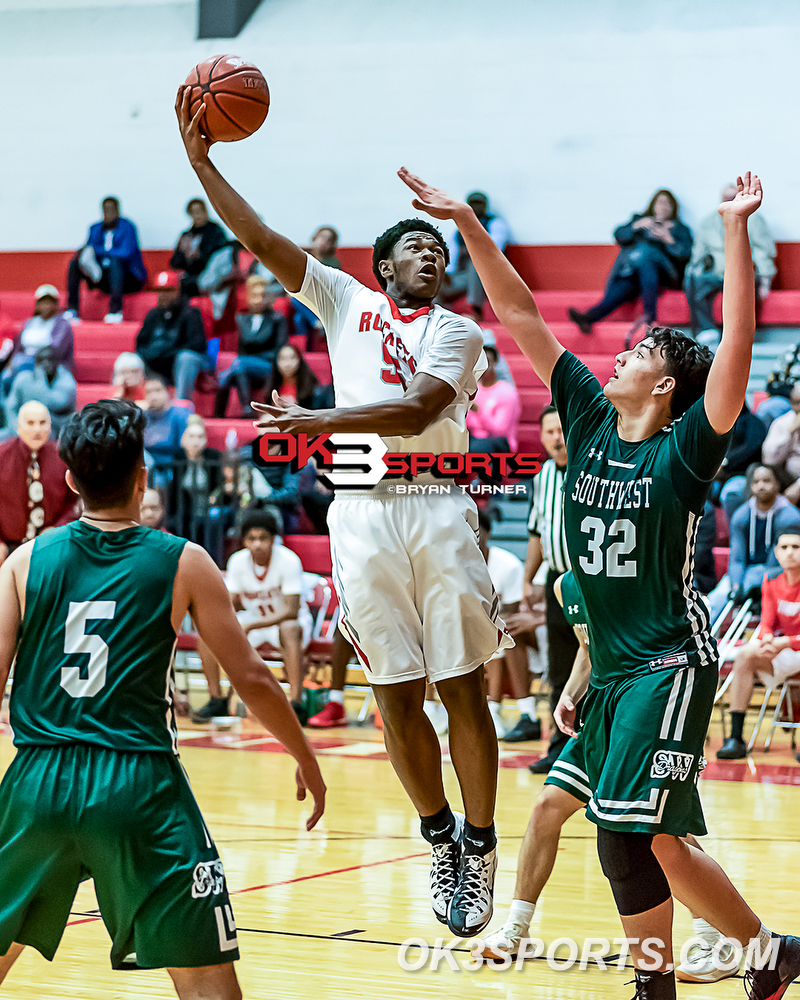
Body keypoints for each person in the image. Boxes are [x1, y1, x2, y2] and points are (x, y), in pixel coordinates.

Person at [401, 167, 800, 1000]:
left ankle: (669, 984)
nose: (618, 355)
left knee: (625, 838)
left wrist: (733, 228)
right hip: (614, 671)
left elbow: (731, 346)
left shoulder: (687, 448)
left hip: (666, 663)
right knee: (649, 843)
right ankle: (769, 954)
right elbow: (519, 313)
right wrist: (471, 224)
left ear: (664, 387)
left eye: (641, 353)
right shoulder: (586, 417)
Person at [177, 89, 511, 939]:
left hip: (436, 502)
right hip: (362, 513)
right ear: (383, 264)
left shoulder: (459, 331)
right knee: (396, 691)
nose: (431, 255)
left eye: (439, 248)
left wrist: (316, 423)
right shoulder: (341, 301)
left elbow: (416, 409)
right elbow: (258, 239)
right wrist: (205, 165)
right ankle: (440, 835)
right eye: (415, 247)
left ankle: (481, 837)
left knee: (461, 685)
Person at [0, 399, 325, 997]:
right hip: (138, 783)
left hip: (37, 781)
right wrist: (304, 753)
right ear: (142, 476)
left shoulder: (23, 562)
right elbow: (251, 677)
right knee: (206, 981)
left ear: (70, 480)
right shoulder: (186, 561)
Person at [476, 571, 738, 987]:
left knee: (667, 832)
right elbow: (588, 647)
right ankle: (516, 930)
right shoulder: (565, 586)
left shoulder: (641, 573)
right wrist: (570, 692)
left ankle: (715, 940)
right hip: (601, 710)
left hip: (647, 707)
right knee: (546, 807)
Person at [193, 509, 313, 723]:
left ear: (274, 540)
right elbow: (230, 604)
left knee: (290, 628)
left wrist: (251, 625)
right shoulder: (237, 561)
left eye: (263, 538)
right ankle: (217, 699)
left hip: (286, 623)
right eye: (252, 539)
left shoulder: (288, 560)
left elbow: (291, 610)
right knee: (207, 635)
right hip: (254, 621)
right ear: (244, 541)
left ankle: (297, 703)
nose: (258, 544)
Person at [518, 404, 577, 759]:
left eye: (562, 430)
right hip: (556, 580)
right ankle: (559, 749)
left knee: (593, 665)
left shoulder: (591, 470)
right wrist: (528, 579)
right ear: (541, 436)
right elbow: (537, 533)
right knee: (559, 668)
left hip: (589, 580)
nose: (557, 438)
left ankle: (591, 748)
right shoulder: (542, 477)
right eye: (550, 432)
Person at [717, 531, 800, 760]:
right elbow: (767, 623)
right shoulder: (771, 580)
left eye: (796, 547)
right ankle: (735, 738)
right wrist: (766, 639)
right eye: (784, 547)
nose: (790, 552)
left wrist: (785, 642)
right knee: (745, 654)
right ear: (776, 552)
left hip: (792, 647)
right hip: (787, 650)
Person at [568, 189, 693, 337]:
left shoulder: (679, 228)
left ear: (673, 208)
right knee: (625, 286)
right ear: (652, 205)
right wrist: (636, 226)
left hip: (665, 274)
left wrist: (668, 239)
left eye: (667, 204)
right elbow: (619, 234)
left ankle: (649, 317)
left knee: (646, 258)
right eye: (660, 202)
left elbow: (685, 254)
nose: (663, 206)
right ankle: (588, 317)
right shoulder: (640, 220)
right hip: (636, 275)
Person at [684, 182, 776, 348]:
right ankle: (706, 330)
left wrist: (765, 281)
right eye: (725, 199)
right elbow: (698, 253)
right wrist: (692, 271)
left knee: (745, 283)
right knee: (693, 278)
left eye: (732, 198)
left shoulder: (755, 219)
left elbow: (764, 251)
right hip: (716, 272)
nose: (729, 202)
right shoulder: (708, 222)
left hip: (745, 271)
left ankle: (737, 335)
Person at [706, 463, 800, 624]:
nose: (761, 486)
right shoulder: (741, 515)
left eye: (766, 481)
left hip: (779, 574)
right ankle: (704, 639)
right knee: (718, 597)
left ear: (777, 484)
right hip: (747, 574)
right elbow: (737, 559)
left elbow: (778, 562)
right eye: (756, 482)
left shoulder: (789, 516)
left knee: (755, 576)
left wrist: (753, 583)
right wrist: (736, 586)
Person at [478, 510, 535, 739]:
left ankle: (524, 713)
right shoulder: (453, 565)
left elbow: (510, 614)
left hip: (517, 633)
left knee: (506, 633)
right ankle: (435, 708)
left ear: (488, 532)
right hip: (477, 634)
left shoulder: (507, 564)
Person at [0, 402, 77, 564]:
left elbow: (73, 502)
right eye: (30, 423)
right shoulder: (2, 456)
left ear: (50, 426)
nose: (37, 430)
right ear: (19, 427)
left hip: (50, 544)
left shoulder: (63, 458)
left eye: (42, 423)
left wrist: (58, 529)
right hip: (7, 546)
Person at [214, 275, 288, 417]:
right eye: (255, 296)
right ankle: (218, 416)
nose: (259, 300)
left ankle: (248, 408)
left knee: (239, 364)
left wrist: (252, 359)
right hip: (244, 366)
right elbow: (241, 351)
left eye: (262, 295)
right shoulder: (242, 319)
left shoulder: (277, 318)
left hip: (269, 365)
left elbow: (280, 350)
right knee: (225, 376)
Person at [65, 197, 147, 323]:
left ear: (118, 210)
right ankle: (72, 310)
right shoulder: (95, 228)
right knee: (74, 264)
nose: (108, 212)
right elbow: (89, 251)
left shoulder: (127, 227)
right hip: (104, 277)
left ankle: (115, 311)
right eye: (105, 209)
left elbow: (126, 252)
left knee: (116, 261)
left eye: (111, 209)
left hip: (128, 278)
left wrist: (102, 251)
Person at [135, 271, 211, 401]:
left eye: (169, 290)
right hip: (157, 365)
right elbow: (140, 343)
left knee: (186, 357)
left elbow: (198, 344)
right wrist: (150, 353)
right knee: (129, 359)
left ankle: (181, 404)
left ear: (178, 291)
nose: (164, 295)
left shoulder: (191, 313)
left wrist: (168, 352)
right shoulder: (153, 315)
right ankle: (130, 408)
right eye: (161, 291)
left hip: (182, 363)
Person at [439, 191, 508, 322]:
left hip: (487, 277)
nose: (476, 208)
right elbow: (451, 257)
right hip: (462, 276)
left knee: (476, 262)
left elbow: (494, 250)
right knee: (436, 276)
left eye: (479, 204)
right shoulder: (458, 229)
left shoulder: (494, 224)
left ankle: (474, 308)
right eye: (473, 204)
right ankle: (435, 312)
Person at [167, 415, 223, 549]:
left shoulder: (213, 457)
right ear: (184, 439)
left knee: (214, 520)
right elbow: (174, 492)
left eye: (200, 437)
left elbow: (220, 486)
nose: (196, 441)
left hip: (209, 509)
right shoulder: (178, 458)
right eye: (191, 437)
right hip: (185, 511)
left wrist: (216, 496)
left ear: (205, 439)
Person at [5, 347, 77, 439]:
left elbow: (55, 404)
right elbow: (11, 408)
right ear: (35, 364)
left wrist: (41, 380)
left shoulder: (67, 381)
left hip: (56, 433)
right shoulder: (23, 379)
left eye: (50, 360)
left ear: (58, 363)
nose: (46, 364)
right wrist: (16, 429)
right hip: (23, 431)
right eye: (40, 361)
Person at [6, 285, 74, 379]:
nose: (46, 306)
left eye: (50, 302)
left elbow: (56, 350)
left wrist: (30, 359)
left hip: (51, 366)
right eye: (43, 302)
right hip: (23, 363)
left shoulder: (62, 326)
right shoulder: (29, 323)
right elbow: (18, 348)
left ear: (56, 304)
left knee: (21, 366)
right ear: (37, 304)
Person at [293, 226, 342, 350]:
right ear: (314, 239)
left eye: (328, 240)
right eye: (322, 238)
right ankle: (316, 325)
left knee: (297, 306)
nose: (324, 242)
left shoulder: (333, 262)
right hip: (305, 296)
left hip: (321, 297)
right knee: (298, 316)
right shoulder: (303, 256)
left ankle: (316, 324)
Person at [466, 344, 521, 453]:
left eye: (487, 361)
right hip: (475, 439)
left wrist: (478, 410)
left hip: (500, 443)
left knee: (476, 449)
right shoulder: (474, 389)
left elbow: (500, 431)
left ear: (495, 363)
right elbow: (469, 424)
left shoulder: (507, 392)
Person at [170, 197, 228, 298]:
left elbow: (220, 257)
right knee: (180, 282)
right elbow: (174, 263)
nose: (198, 215)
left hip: (211, 272)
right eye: (194, 212)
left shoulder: (215, 231)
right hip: (190, 274)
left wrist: (199, 255)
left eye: (200, 211)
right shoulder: (186, 235)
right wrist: (183, 253)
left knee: (191, 283)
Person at [142, 375, 190, 484]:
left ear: (167, 392)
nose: (153, 396)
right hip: (146, 467)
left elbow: (184, 449)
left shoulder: (179, 415)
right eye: (148, 392)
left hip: (173, 467)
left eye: (158, 390)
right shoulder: (141, 417)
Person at [762, 382, 800, 502]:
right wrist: (790, 433)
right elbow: (770, 460)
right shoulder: (782, 422)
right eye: (796, 403)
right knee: (758, 470)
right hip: (785, 479)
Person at [264, 344, 320, 410]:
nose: (287, 364)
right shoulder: (271, 385)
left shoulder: (313, 390)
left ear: (299, 360)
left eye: (292, 358)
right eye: (283, 358)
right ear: (276, 362)